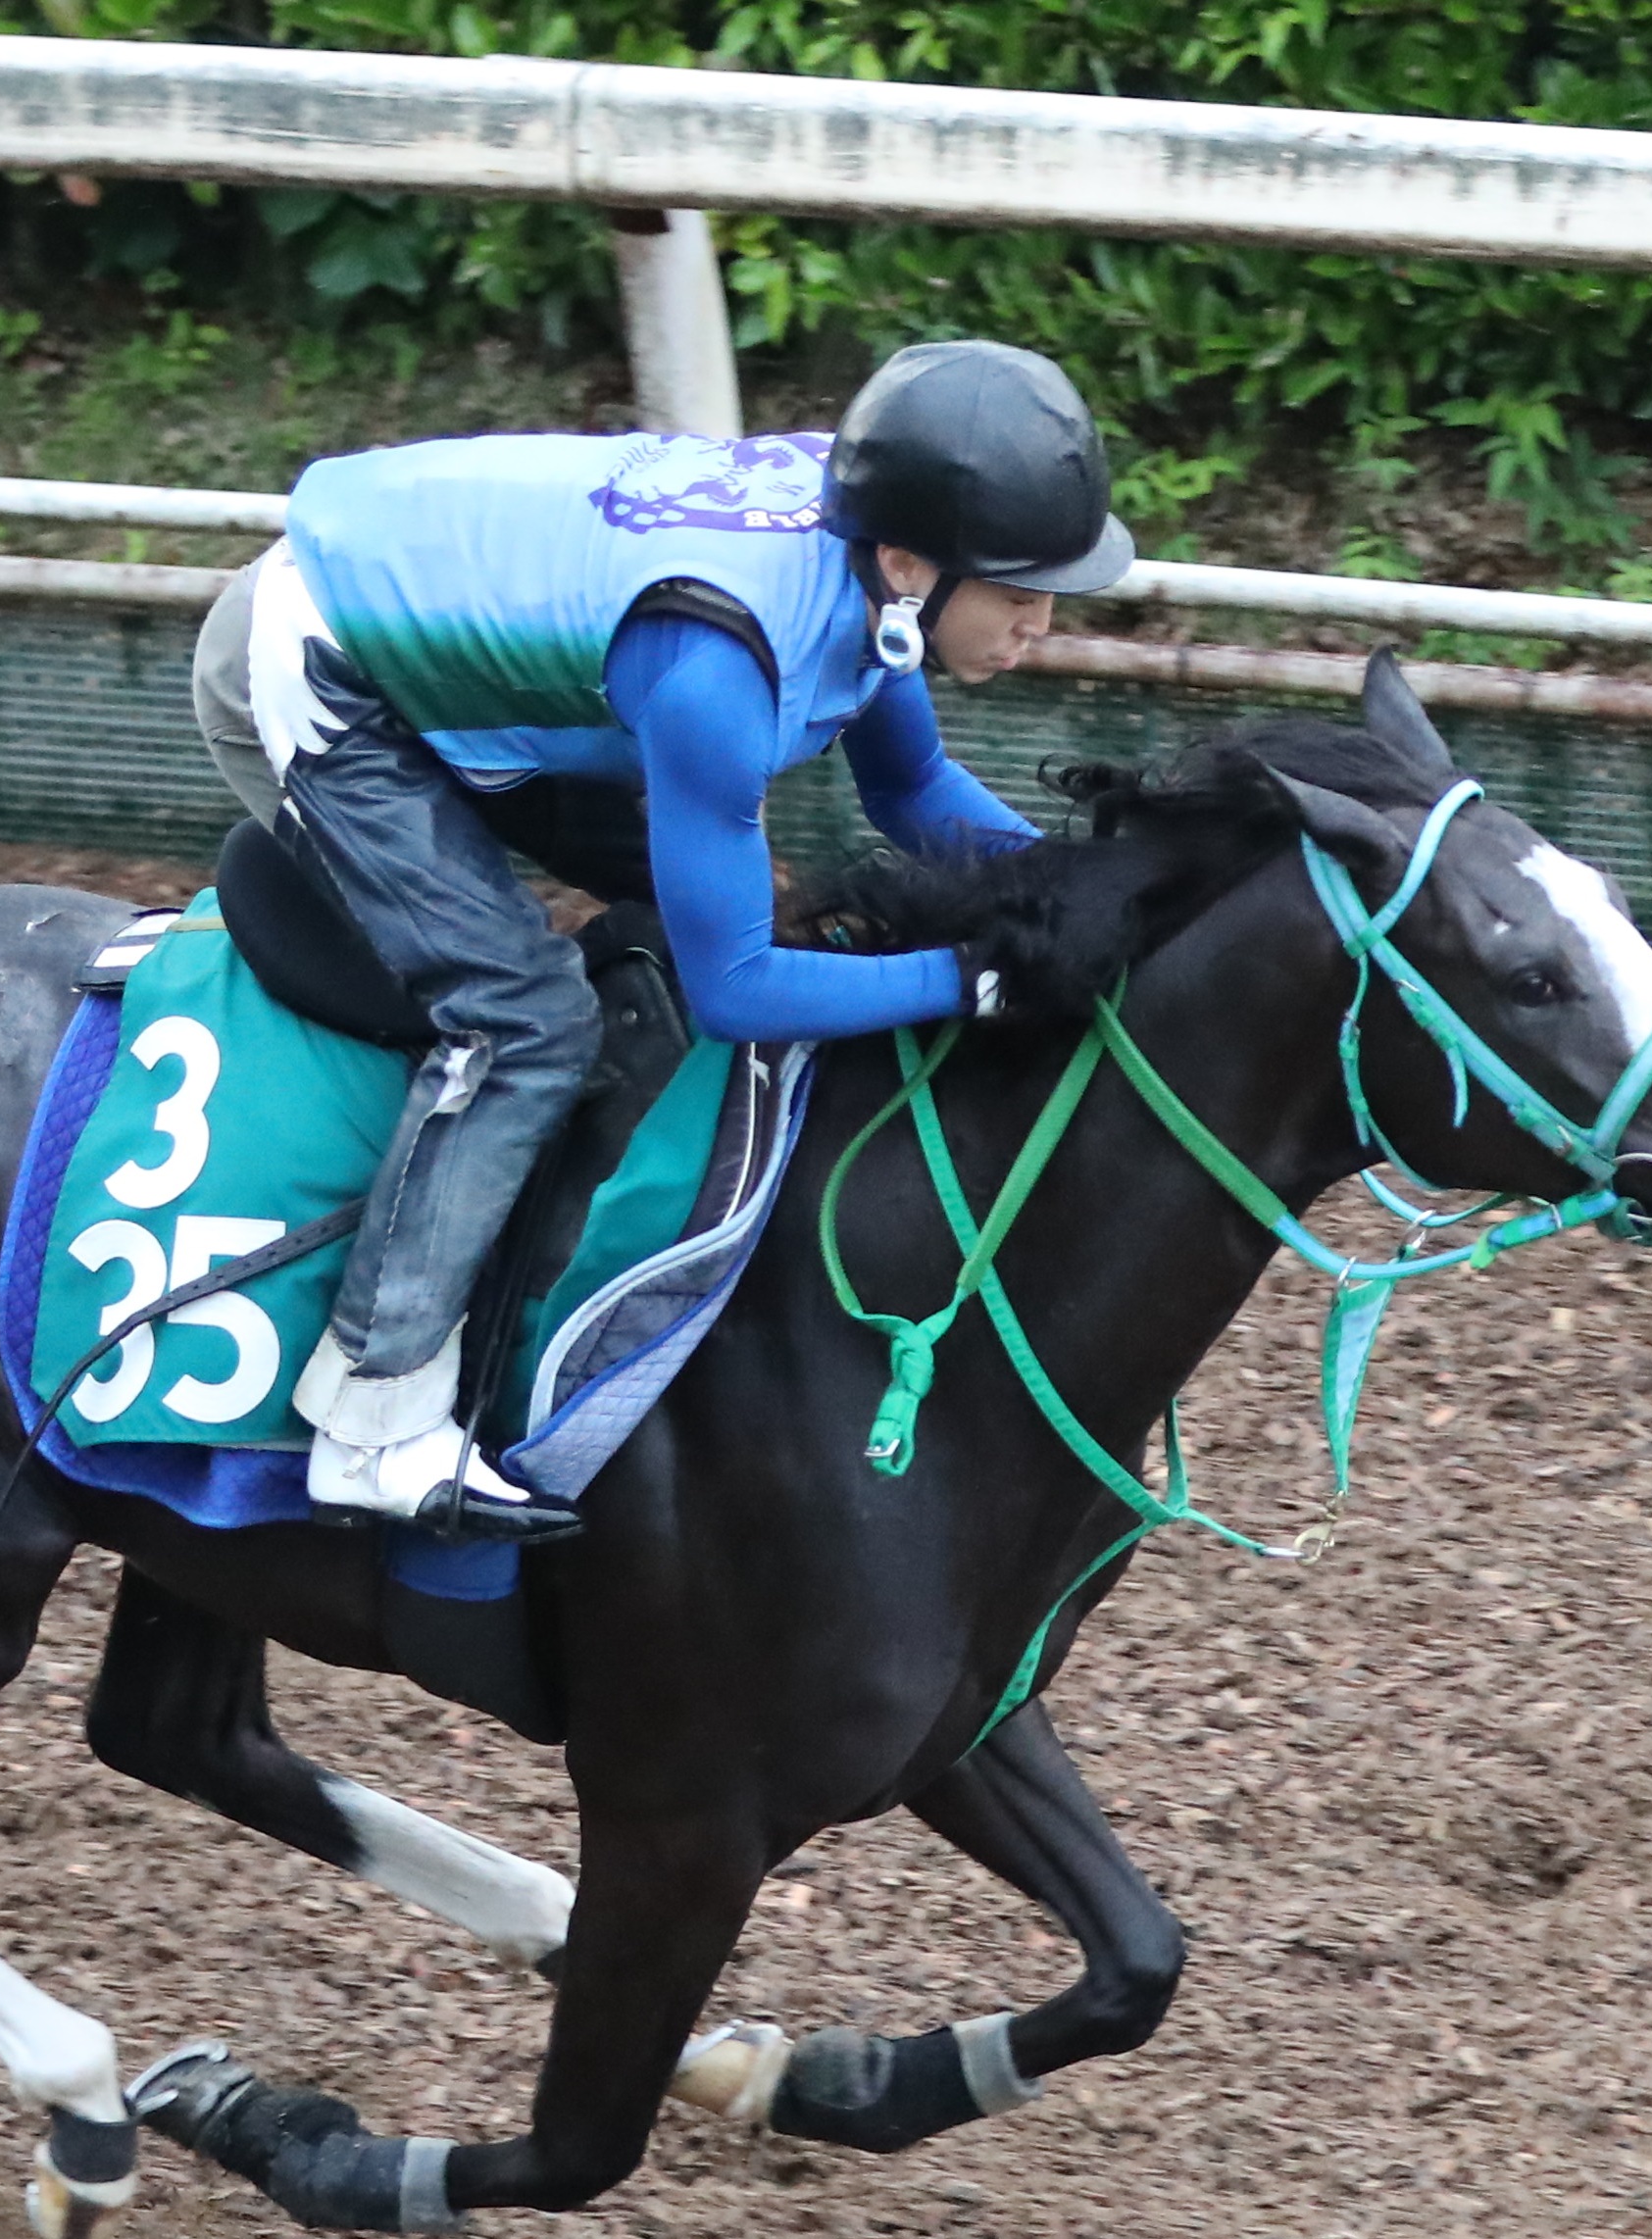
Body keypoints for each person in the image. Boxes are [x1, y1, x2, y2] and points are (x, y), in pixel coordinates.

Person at [187, 338, 1137, 1536]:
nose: (1044, 623)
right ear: (906, 566)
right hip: (321, 674)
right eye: (1020, 592)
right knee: (528, 1017)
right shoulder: (717, 671)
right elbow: (735, 989)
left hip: (470, 648)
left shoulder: (869, 559)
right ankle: (371, 1408)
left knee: (748, 896)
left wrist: (1100, 887)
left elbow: (913, 789)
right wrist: (969, 978)